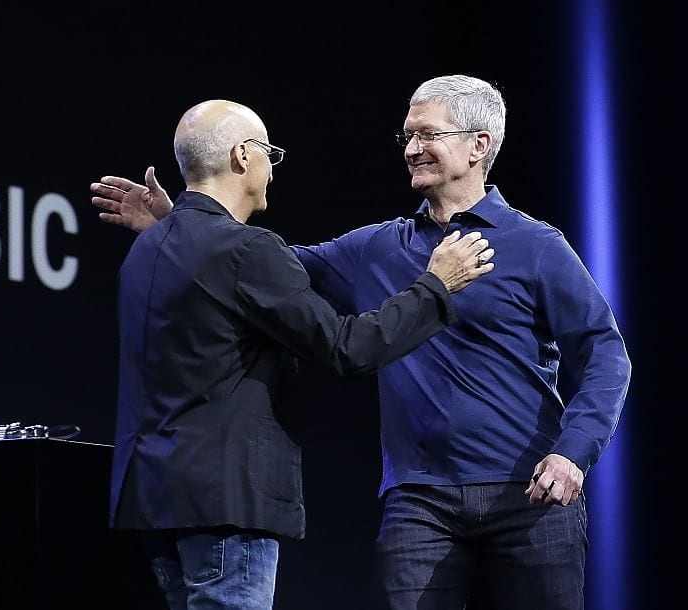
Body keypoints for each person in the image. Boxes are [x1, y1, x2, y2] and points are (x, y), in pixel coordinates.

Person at [92, 76, 631, 609]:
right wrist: (183, 225)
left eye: (428, 134)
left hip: (528, 492)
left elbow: (606, 356)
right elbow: (252, 271)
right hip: (419, 504)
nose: (412, 149)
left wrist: (572, 453)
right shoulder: (378, 248)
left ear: (479, 145)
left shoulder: (535, 245)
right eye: (407, 136)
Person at [109, 98, 494, 610]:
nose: (272, 169)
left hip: (151, 502)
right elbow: (346, 348)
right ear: (243, 156)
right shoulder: (247, 248)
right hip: (224, 505)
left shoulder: (148, 248)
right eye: (269, 153)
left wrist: (172, 222)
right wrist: (435, 287)